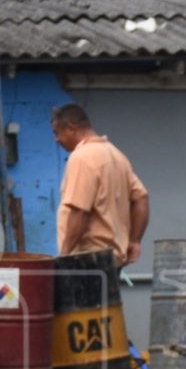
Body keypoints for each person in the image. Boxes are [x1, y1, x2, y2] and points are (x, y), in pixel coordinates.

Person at [50, 101, 148, 265]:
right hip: (112, 259)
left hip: (86, 259)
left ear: (71, 128)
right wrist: (135, 241)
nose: (57, 140)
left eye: (57, 133)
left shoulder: (81, 158)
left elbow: (79, 212)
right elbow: (142, 198)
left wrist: (64, 255)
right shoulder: (116, 155)